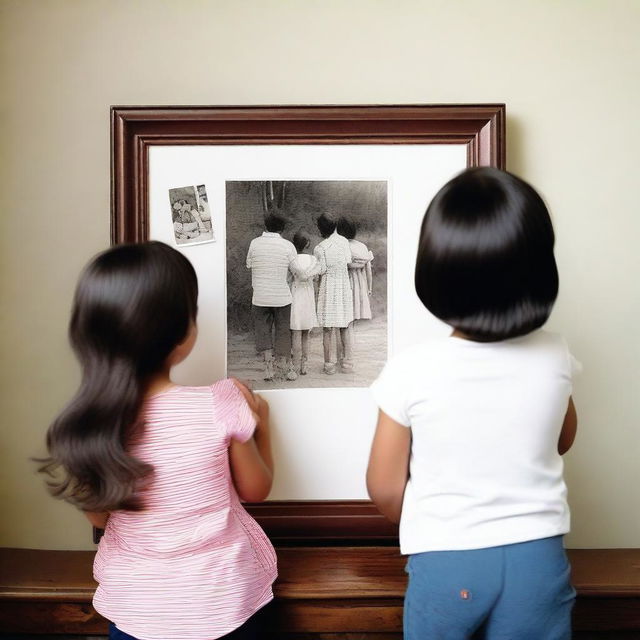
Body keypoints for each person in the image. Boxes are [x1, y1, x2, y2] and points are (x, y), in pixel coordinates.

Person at [367, 167, 579, 640]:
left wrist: (437, 517)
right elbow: (561, 439)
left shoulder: (410, 369)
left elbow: (383, 487)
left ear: (435, 272)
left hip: (447, 561)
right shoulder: (555, 354)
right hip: (538, 559)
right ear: (539, 273)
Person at [38, 242, 276, 640]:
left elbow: (98, 518)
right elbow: (257, 489)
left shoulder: (92, 422)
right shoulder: (222, 401)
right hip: (222, 604)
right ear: (184, 330)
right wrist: (262, 425)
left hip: (136, 610)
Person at [246, 213, 298, 382]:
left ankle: (268, 368)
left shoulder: (254, 243)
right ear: (282, 228)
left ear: (265, 225)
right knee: (283, 330)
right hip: (282, 296)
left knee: (263, 331)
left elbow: (249, 265)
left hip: (260, 296)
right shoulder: (288, 246)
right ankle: (287, 368)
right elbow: (295, 270)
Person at [313, 214, 354, 374]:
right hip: (343, 286)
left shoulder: (320, 248)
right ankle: (347, 363)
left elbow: (322, 270)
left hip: (328, 287)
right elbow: (347, 260)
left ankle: (329, 364)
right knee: (344, 325)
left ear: (321, 228)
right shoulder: (344, 242)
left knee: (328, 328)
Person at [289, 230, 320, 375]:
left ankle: (294, 367)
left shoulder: (292, 260)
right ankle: (304, 365)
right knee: (305, 333)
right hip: (308, 296)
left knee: (295, 332)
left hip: (295, 295)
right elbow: (315, 278)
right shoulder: (313, 260)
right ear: (308, 243)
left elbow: (289, 278)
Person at [337, 216, 373, 320]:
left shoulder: (341, 246)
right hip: (360, 285)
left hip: (346, 282)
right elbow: (368, 270)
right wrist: (369, 288)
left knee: (345, 317)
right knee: (354, 314)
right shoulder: (362, 246)